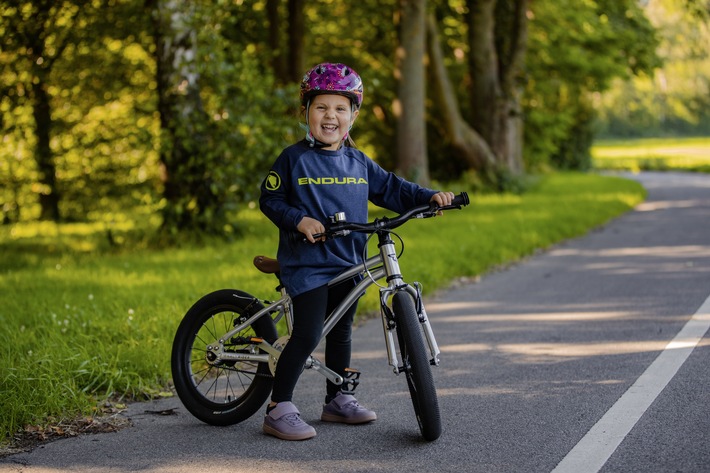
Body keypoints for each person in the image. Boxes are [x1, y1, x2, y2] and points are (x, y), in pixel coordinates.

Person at [259, 62, 454, 441]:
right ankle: (278, 406)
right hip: (309, 264)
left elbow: (394, 189)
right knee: (310, 332)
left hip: (348, 263)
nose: (330, 116)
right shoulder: (293, 158)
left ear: (353, 115)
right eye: (321, 107)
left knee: (343, 331)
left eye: (340, 109)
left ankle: (337, 399)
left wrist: (430, 197)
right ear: (306, 112)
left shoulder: (358, 161)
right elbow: (270, 198)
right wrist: (299, 220)